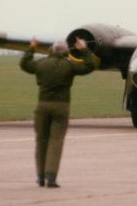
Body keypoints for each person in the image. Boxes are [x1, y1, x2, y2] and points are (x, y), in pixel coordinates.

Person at [20, 37, 97, 188]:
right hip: (62, 107)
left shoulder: (41, 64)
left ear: (51, 50)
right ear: (66, 52)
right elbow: (90, 66)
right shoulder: (69, 66)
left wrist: (32, 48)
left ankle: (40, 177)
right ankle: (51, 177)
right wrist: (83, 49)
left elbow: (24, 64)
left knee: (41, 141)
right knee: (56, 141)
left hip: (42, 106)